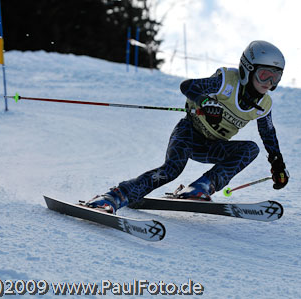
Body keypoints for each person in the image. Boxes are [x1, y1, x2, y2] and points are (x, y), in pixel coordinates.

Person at [87, 40, 290, 213]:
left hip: (211, 145)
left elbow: (268, 134)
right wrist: (203, 101)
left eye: (276, 77)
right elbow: (188, 86)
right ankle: (113, 197)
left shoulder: (264, 105)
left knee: (250, 149)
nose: (269, 82)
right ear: (248, 69)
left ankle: (201, 187)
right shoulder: (226, 82)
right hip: (188, 133)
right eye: (265, 75)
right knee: (171, 170)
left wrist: (277, 163)